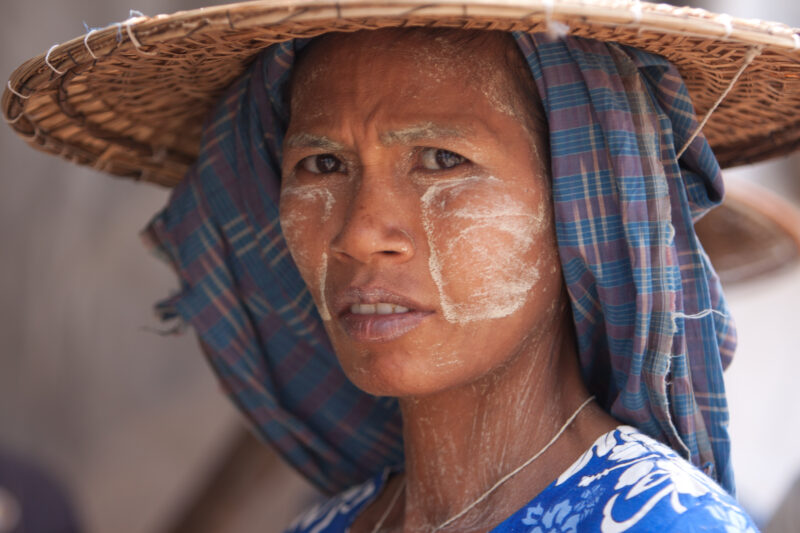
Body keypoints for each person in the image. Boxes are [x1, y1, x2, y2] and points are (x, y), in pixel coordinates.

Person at [5, 1, 799, 531]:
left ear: (579, 211)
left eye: (440, 159)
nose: (359, 233)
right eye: (320, 166)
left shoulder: (660, 521)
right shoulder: (333, 523)